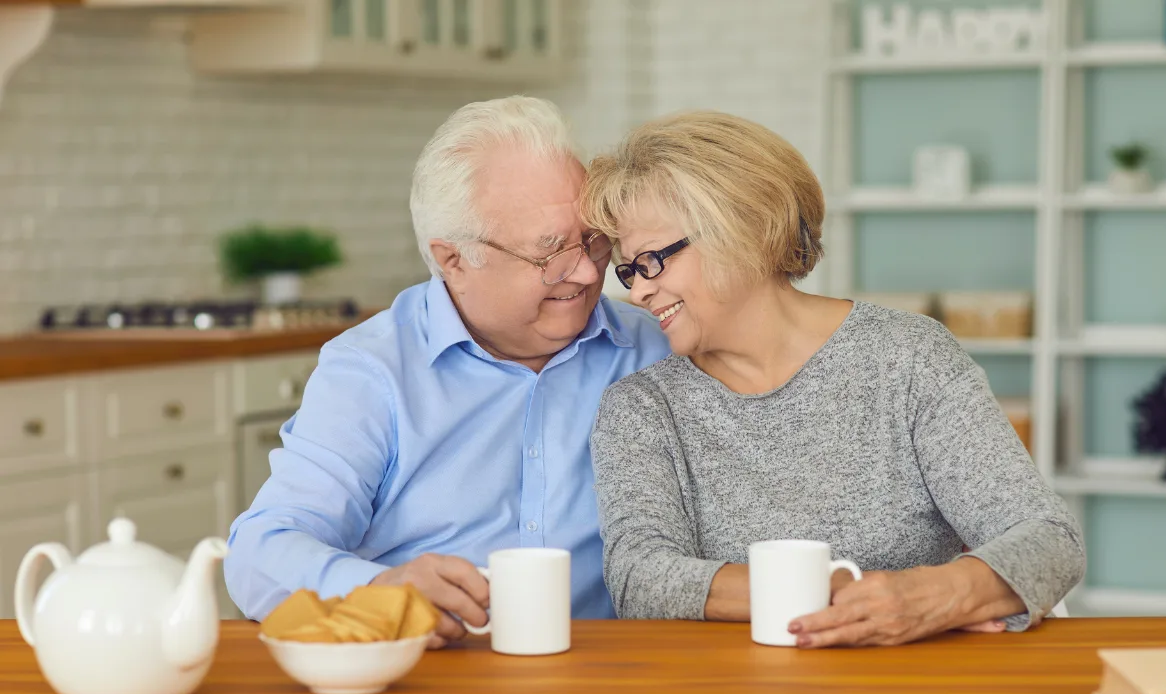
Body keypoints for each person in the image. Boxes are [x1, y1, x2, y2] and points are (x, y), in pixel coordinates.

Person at [582, 110, 1085, 647]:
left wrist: (930, 597)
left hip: (910, 691)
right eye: (629, 271)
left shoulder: (908, 357)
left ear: (744, 229)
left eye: (653, 260)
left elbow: (1049, 542)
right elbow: (640, 578)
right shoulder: (642, 406)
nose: (637, 292)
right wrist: (829, 592)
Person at [225, 96, 670, 647]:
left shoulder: (656, 346)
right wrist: (379, 586)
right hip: (431, 680)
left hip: (609, 672)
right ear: (454, 260)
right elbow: (261, 551)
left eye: (593, 239)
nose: (585, 271)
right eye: (550, 251)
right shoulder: (373, 370)